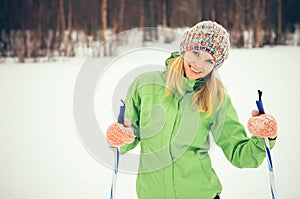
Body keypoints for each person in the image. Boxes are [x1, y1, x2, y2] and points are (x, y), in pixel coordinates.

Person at [106, 21, 278, 199]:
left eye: (209, 60)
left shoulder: (215, 96)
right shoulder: (145, 84)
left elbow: (240, 155)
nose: (198, 64)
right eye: (195, 53)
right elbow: (129, 137)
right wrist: (119, 136)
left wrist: (264, 138)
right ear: (184, 49)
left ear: (215, 65)